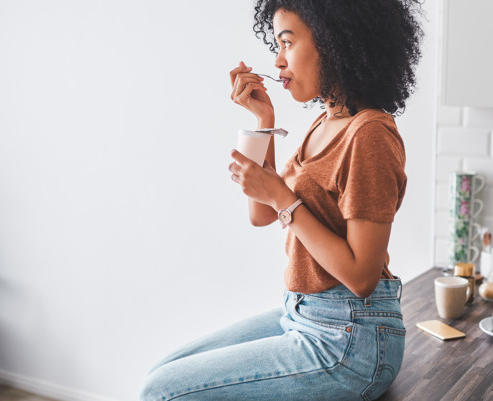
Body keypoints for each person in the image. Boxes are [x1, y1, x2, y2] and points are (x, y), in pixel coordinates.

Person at [139, 0, 424, 400]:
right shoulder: (325, 121)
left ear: (333, 42)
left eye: (287, 42)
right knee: (162, 372)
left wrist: (282, 197)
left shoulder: (369, 135)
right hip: (304, 314)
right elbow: (261, 213)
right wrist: (263, 121)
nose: (277, 61)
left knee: (161, 391)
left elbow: (362, 277)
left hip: (352, 341)